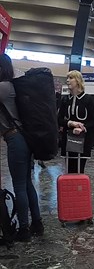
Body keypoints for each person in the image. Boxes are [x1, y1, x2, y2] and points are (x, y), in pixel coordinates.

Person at [0, 54, 44, 241]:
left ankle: (24, 230)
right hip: (24, 139)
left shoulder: (2, 87)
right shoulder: (11, 86)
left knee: (19, 184)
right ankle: (37, 223)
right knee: (26, 183)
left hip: (14, 139)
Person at [58, 70, 94, 173]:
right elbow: (59, 119)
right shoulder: (65, 99)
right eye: (67, 78)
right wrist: (70, 123)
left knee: (80, 170)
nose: (67, 80)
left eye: (71, 78)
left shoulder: (88, 99)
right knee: (69, 169)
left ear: (78, 81)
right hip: (68, 138)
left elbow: (93, 121)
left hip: (83, 140)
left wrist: (82, 128)